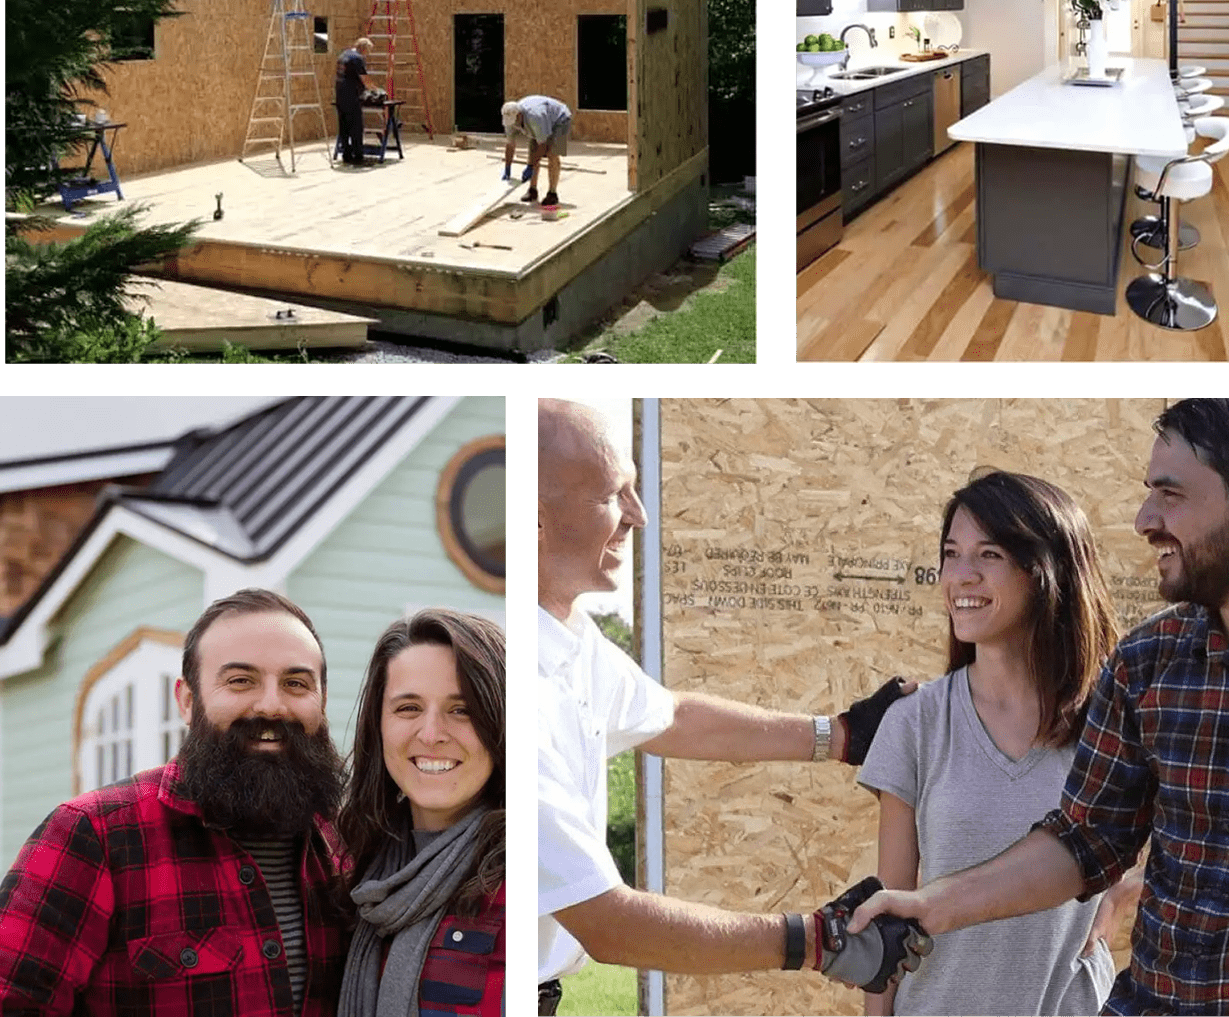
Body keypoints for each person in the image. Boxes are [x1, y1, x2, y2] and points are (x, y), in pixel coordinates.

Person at [846, 398, 1229, 1017]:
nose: (1145, 518)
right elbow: (1086, 841)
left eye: (1171, 494)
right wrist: (934, 903)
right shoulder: (1147, 664)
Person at [537, 398, 920, 1015]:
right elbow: (607, 923)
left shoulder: (570, 639)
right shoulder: (513, 682)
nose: (638, 514)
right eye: (613, 494)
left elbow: (674, 718)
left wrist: (842, 736)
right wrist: (816, 942)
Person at [0, 587, 350, 1015]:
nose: (272, 705)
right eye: (241, 681)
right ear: (187, 701)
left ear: (323, 702)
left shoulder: (343, 845)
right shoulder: (94, 836)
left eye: (296, 683)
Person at [858, 471, 1131, 1016]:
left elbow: (1202, 838)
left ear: (1044, 573)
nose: (961, 576)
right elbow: (889, 920)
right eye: (951, 553)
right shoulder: (915, 722)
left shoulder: (1114, 720)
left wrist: (1125, 894)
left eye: (988, 555)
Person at [335, 609, 505, 1017]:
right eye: (408, 708)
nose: (431, 734)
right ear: (377, 727)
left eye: (461, 710)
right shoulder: (357, 872)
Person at [501, 96, 571, 207]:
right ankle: (532, 191)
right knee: (532, 153)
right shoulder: (509, 119)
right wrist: (507, 167)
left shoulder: (535, 117)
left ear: (519, 115)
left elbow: (542, 146)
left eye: (515, 121)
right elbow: (510, 144)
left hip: (559, 119)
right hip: (541, 122)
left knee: (552, 154)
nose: (513, 124)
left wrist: (530, 166)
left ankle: (552, 193)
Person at [336, 37, 377, 166]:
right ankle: (358, 156)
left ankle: (346, 155)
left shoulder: (343, 55)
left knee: (344, 127)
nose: (366, 55)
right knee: (356, 127)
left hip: (339, 94)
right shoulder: (357, 59)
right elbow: (365, 79)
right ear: (363, 48)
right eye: (367, 52)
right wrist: (376, 90)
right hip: (351, 96)